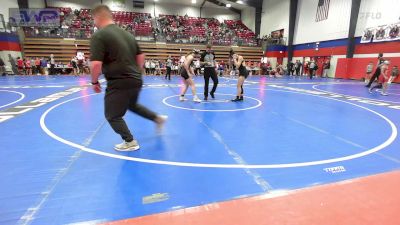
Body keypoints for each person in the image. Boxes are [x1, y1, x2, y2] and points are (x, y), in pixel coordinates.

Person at [90, 5, 167, 151]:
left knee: (112, 115)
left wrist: (94, 81)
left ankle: (130, 141)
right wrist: (136, 72)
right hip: (135, 79)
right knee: (132, 105)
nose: (94, 22)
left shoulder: (99, 35)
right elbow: (141, 56)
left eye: (94, 19)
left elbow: (95, 65)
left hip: (119, 81)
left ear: (98, 17)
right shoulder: (128, 35)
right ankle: (158, 118)